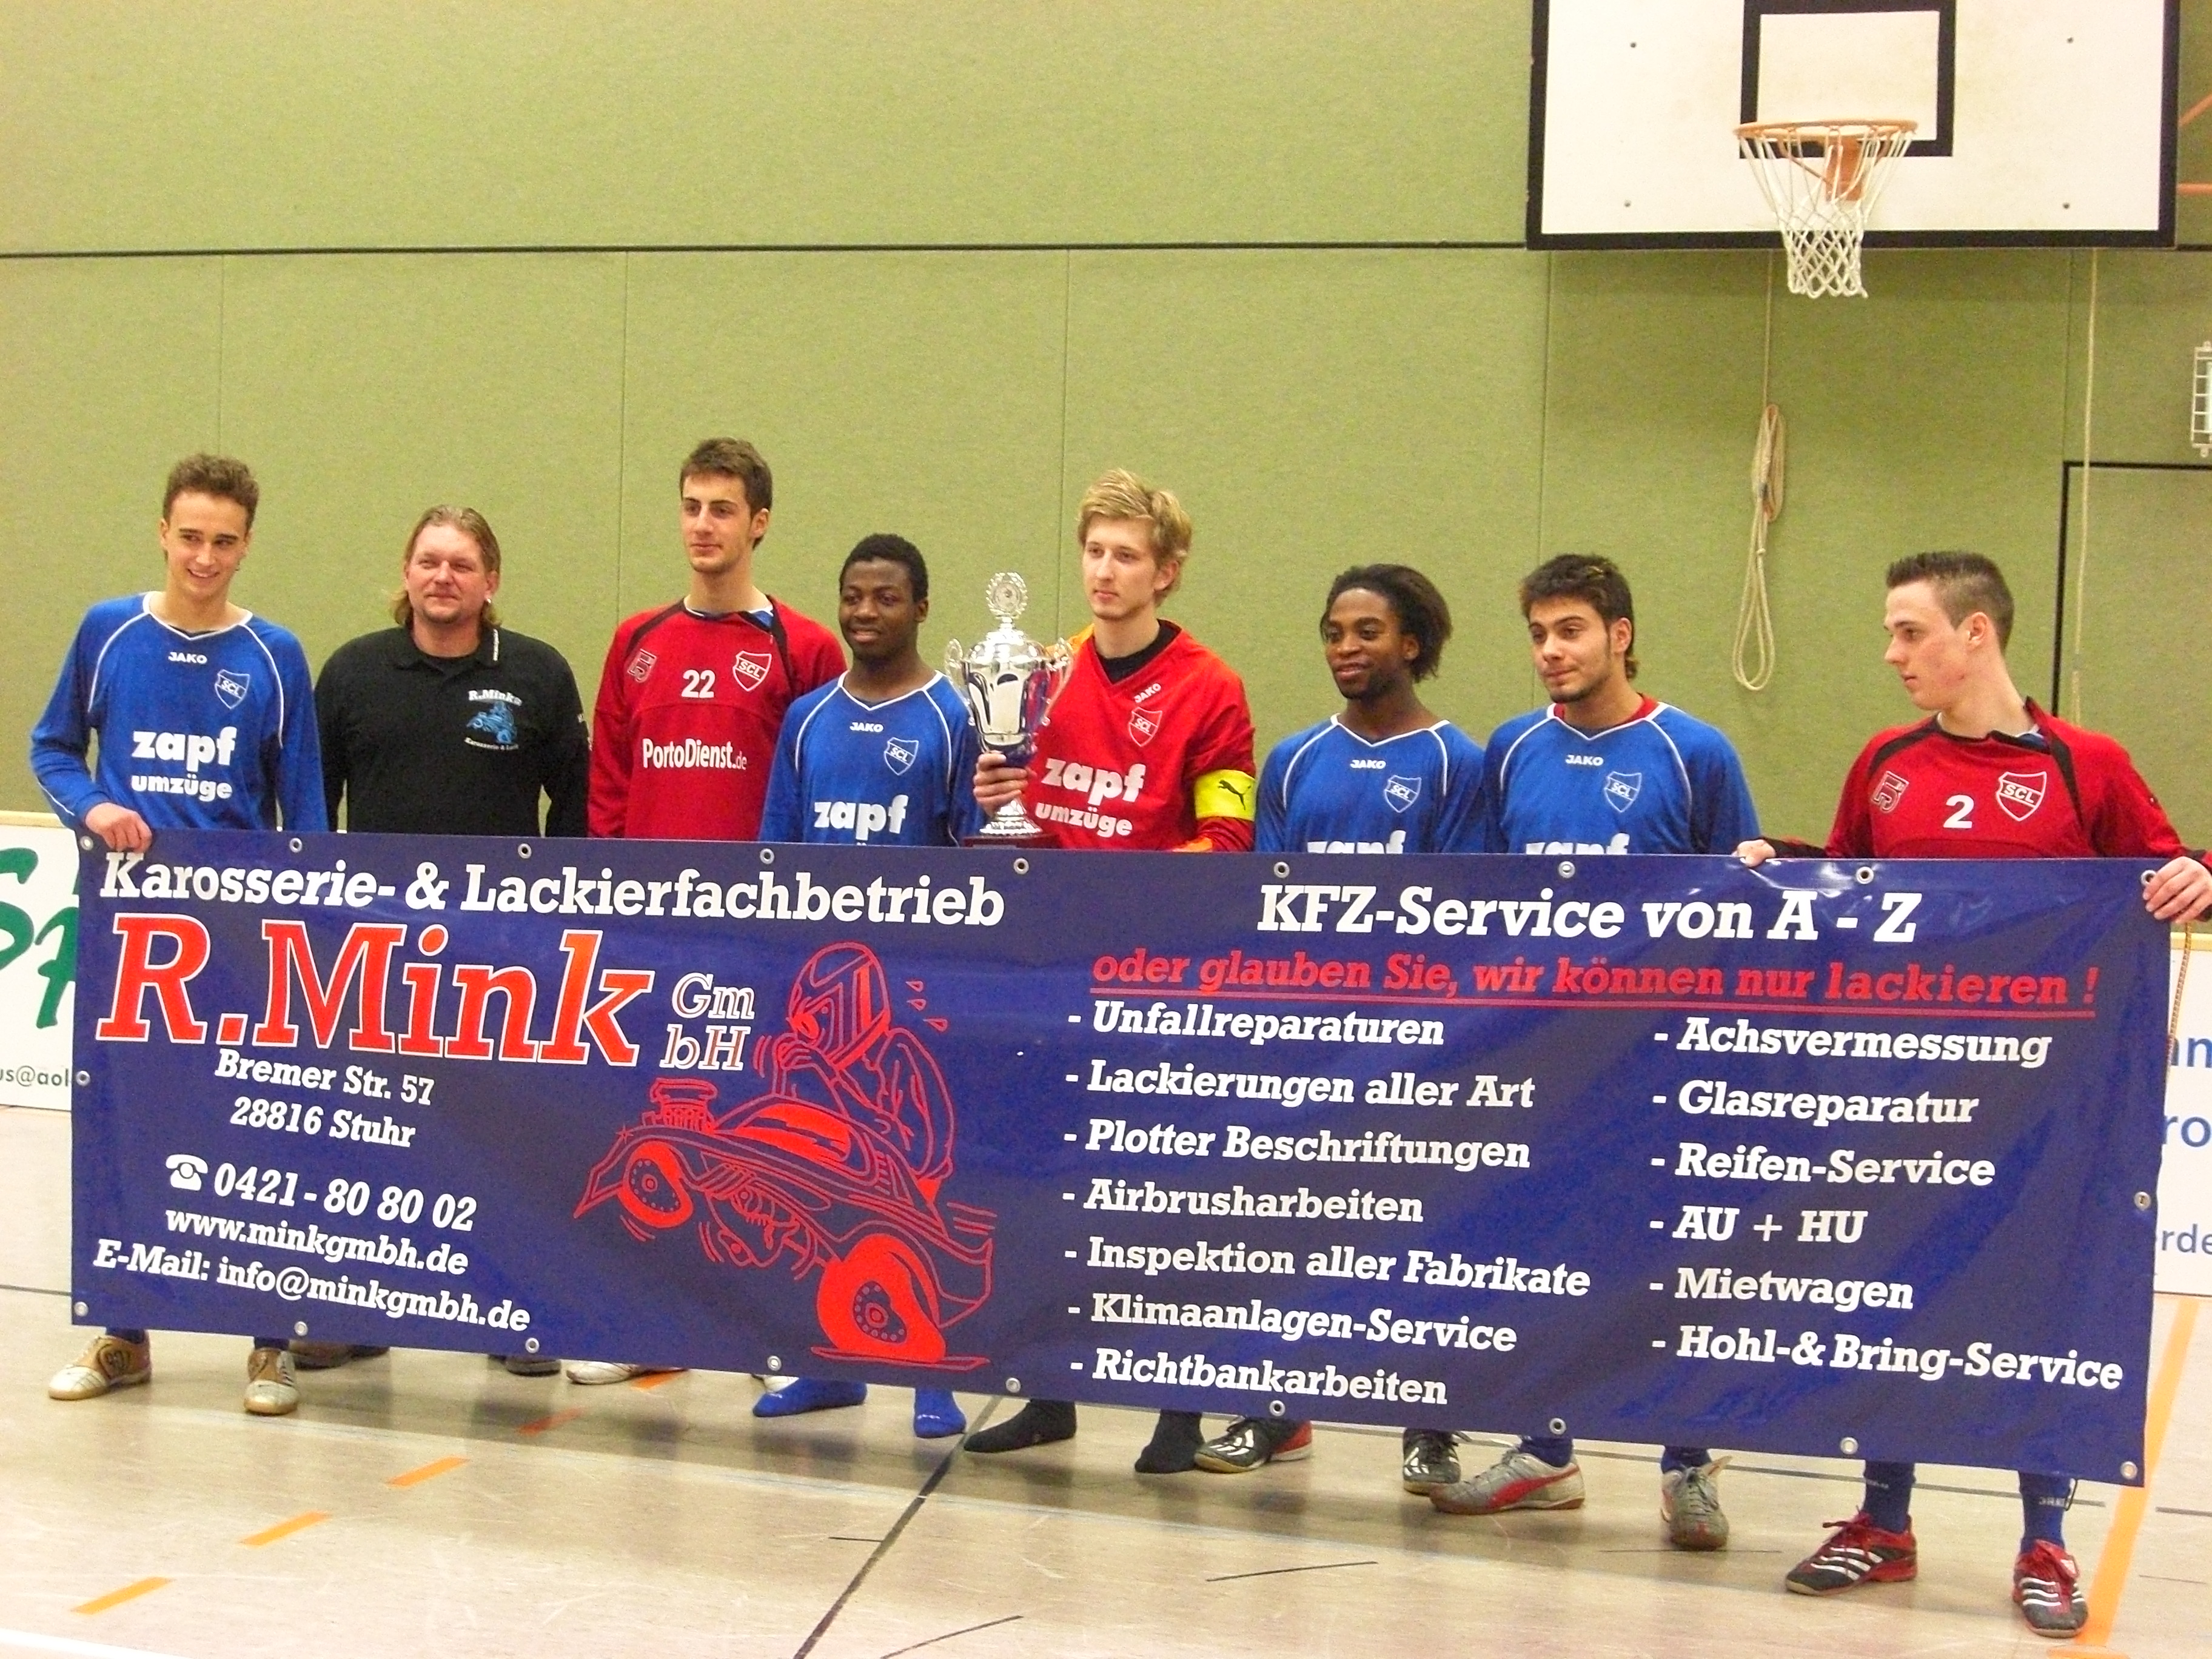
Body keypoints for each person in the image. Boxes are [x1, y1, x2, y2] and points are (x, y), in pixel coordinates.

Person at [1737, 549, 2212, 1636]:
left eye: (1910, 632)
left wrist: (2201, 872)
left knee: (2042, 1303)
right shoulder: (1885, 762)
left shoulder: (2085, 765)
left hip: (2046, 1112)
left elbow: (2169, 865)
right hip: (1900, 1097)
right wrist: (1779, 860)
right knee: (1888, 1297)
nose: (1892, 654)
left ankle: (2045, 1541)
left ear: (1976, 634)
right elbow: (1849, 880)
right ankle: (1883, 1522)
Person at [1427, 554, 1757, 1550]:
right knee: (1540, 1254)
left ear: (1620, 634)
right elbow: (1479, 906)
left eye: (1569, 630)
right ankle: (1546, 1452)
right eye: (1537, 634)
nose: (1550, 652)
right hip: (1544, 1058)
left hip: (1662, 1060)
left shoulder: (1695, 752)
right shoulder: (1510, 750)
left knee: (1672, 1264)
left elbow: (1741, 907)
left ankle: (1687, 1466)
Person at [959, 468, 1256, 1475]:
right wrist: (1000, 798)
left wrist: (1120, 890)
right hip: (1048, 981)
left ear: (1166, 572)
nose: (1105, 571)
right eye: (1094, 551)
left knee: (1161, 1205)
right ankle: (1048, 1394)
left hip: (1157, 985)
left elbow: (1228, 842)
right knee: (1039, 1192)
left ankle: (1180, 1410)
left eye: (1127, 555)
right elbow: (1026, 824)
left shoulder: (1212, 689)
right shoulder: (1044, 673)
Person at [33, 453, 324, 1416]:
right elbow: (51, 747)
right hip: (132, 937)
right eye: (190, 537)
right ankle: (124, 1336)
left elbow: (304, 805)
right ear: (163, 532)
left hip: (242, 940)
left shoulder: (275, 654)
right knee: (126, 1129)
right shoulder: (108, 632)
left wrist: (307, 924)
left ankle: (271, 1343)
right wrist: (92, 806)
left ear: (247, 545)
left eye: (224, 541)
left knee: (259, 1126)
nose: (205, 557)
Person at [1193, 564, 1483, 1487]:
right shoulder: (1293, 760)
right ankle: (1275, 1411)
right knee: (1285, 1229)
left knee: (1424, 1239)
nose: (1346, 649)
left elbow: (1463, 916)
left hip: (1415, 1046)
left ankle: (1430, 1427)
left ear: (1412, 644)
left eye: (1367, 632)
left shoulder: (1457, 763)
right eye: (1333, 632)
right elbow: (1268, 907)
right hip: (1304, 1042)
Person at [568, 437, 843, 1386]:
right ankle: (649, 1331)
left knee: (758, 1142)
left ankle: (765, 1337)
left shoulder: (804, 649)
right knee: (652, 1136)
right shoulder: (636, 642)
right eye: (691, 505)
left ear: (758, 522)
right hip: (651, 939)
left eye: (722, 509)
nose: (702, 525)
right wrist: (620, 908)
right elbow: (608, 789)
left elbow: (814, 788)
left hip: (756, 944)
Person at [315, 504, 589, 1378]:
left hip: (502, 956)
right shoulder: (352, 672)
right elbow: (312, 805)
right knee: (370, 1132)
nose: (444, 577)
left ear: (491, 581)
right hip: (376, 953)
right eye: (429, 561)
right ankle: (356, 1314)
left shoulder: (538, 674)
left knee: (500, 1138)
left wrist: (556, 918)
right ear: (406, 572)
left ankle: (510, 1315)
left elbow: (576, 807)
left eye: (462, 564)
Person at [755, 532, 980, 1438]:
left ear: (921, 607)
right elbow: (775, 855)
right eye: (853, 596)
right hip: (820, 995)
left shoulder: (954, 716)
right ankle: (827, 1367)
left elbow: (977, 856)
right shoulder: (808, 719)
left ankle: (930, 1377)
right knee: (819, 1185)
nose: (865, 612)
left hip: (912, 1001)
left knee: (916, 1189)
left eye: (886, 598)